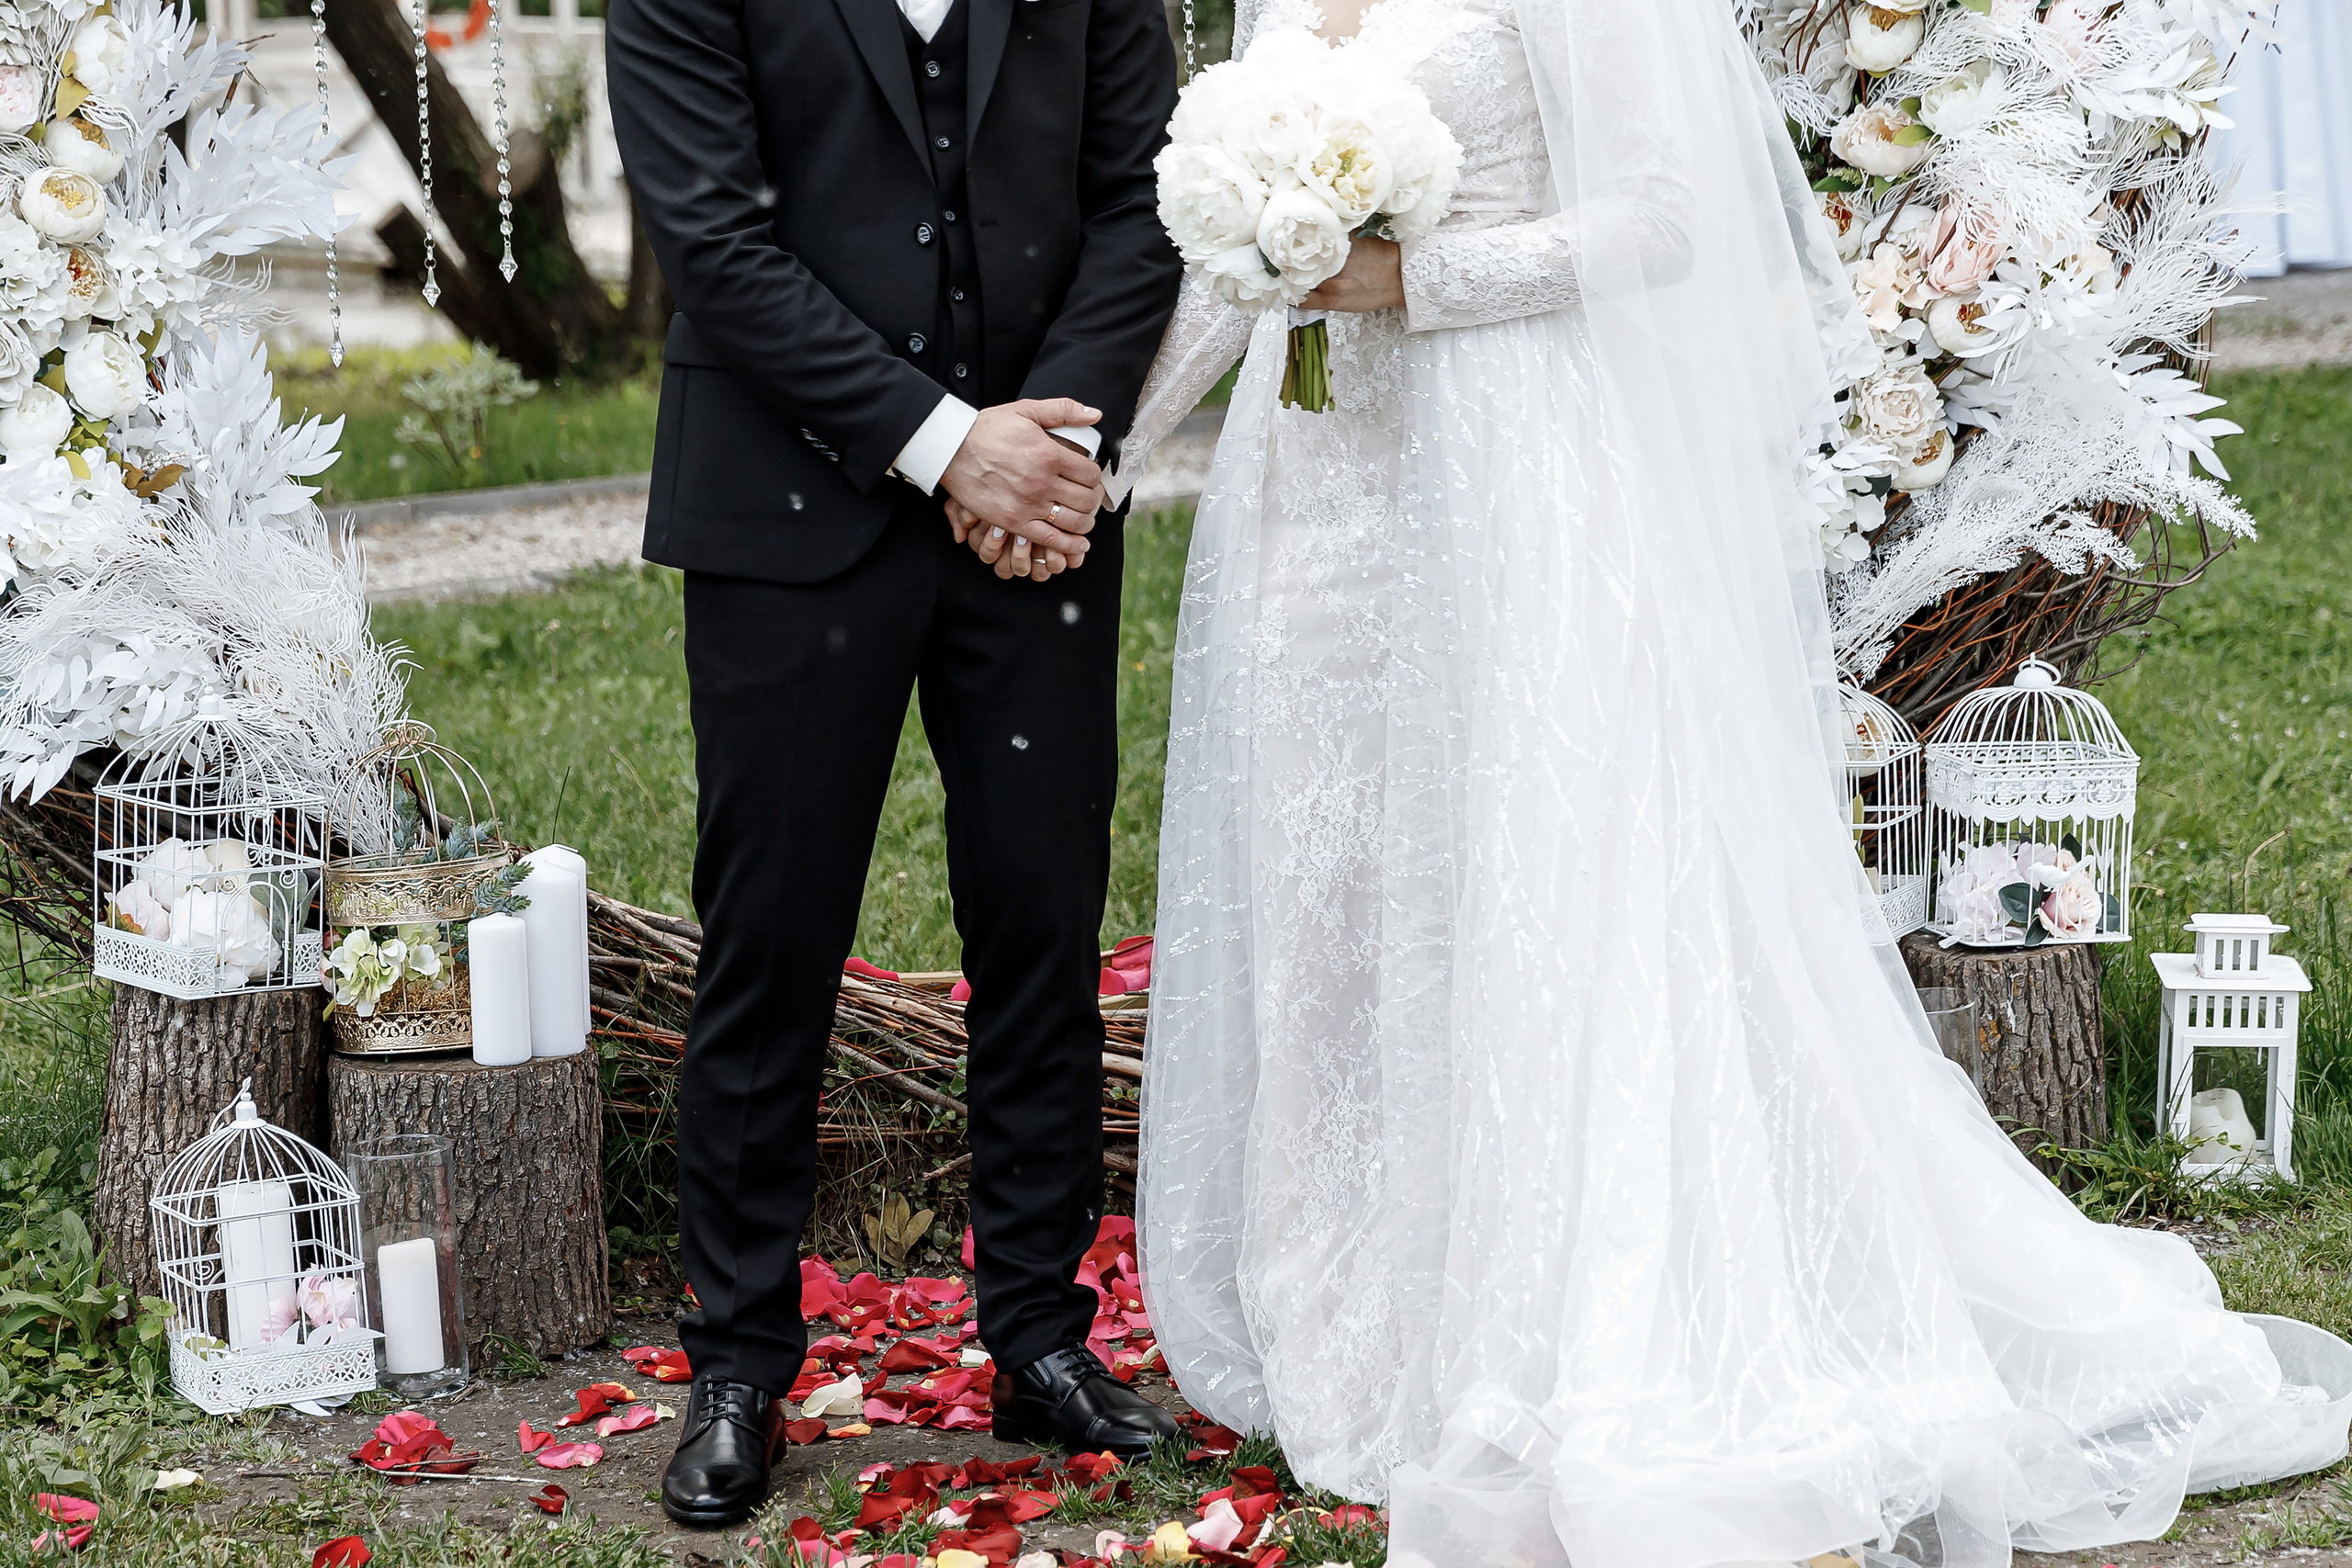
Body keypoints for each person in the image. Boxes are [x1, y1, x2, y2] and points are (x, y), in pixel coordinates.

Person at [1108, 3, 2352, 1566]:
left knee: (1527, 877)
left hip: (1508, 470)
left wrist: (1414, 280)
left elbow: (1663, 221)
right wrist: (1100, 449)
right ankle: (1365, 1320)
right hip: (1322, 493)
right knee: (1341, 876)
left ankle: (1540, 1327)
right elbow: (1236, 259)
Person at [605, 0, 1185, 1526]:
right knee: (772, 935)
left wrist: (1045, 448)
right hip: (786, 515)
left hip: (1035, 519)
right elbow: (714, 245)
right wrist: (948, 445)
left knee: (1040, 917)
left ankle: (1041, 1341)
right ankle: (738, 1363)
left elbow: (1142, 202)